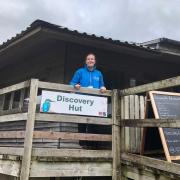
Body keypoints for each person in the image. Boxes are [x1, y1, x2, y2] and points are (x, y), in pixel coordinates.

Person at [70, 53, 108, 149]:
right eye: (88, 59)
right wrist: (75, 85)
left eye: (92, 59)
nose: (90, 60)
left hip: (95, 102)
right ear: (86, 61)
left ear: (95, 61)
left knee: (94, 123)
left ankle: (94, 145)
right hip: (82, 101)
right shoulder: (80, 71)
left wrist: (103, 87)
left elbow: (102, 85)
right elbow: (72, 83)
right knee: (82, 123)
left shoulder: (99, 73)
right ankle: (82, 145)